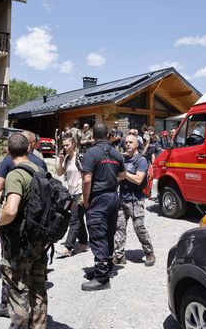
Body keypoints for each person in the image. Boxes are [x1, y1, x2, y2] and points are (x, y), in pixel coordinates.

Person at [0, 130, 48, 318]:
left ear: (8, 150)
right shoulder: (40, 169)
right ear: (29, 147)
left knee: (17, 289)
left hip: (20, 241)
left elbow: (11, 210)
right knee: (38, 288)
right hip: (39, 237)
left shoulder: (15, 174)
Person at [81, 123, 125, 291]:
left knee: (98, 235)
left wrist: (86, 201)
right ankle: (108, 268)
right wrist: (110, 178)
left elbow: (86, 180)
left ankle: (102, 278)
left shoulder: (91, 153)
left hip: (99, 198)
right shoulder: (115, 152)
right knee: (108, 233)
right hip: (114, 196)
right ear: (107, 135)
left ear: (94, 135)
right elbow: (123, 175)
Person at [114, 135, 155, 266]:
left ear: (137, 144)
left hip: (135, 200)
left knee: (139, 227)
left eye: (131, 142)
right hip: (122, 198)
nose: (128, 144)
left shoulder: (141, 160)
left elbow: (138, 179)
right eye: (126, 142)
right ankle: (119, 256)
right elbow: (118, 178)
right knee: (119, 228)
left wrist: (123, 174)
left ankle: (149, 253)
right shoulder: (124, 159)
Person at [56, 135, 88, 257]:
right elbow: (59, 172)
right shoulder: (67, 158)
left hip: (80, 192)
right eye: (63, 145)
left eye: (67, 145)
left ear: (74, 144)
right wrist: (60, 159)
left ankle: (68, 247)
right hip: (71, 192)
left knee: (74, 220)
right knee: (78, 218)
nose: (65, 147)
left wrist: (84, 195)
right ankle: (84, 243)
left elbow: (86, 175)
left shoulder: (80, 157)